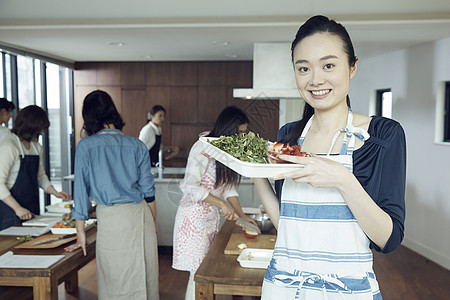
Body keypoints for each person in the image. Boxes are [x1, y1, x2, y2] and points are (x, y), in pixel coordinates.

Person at [253, 15, 406, 299]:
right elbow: (287, 228)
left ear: (352, 67)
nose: (315, 80)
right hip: (283, 288)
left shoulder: (382, 135)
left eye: (328, 65)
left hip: (347, 292)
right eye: (303, 68)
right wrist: (254, 170)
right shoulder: (288, 136)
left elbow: (388, 238)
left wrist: (342, 179)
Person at [64, 90, 159, 299]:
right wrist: (153, 222)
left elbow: (80, 191)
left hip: (112, 218)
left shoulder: (86, 146)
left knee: (116, 280)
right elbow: (148, 190)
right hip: (140, 215)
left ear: (88, 116)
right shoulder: (137, 145)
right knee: (144, 276)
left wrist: (80, 233)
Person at [172, 106, 258, 300]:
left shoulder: (226, 150)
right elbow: (190, 187)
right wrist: (221, 204)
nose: (242, 137)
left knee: (209, 272)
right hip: (192, 221)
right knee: (199, 275)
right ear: (228, 129)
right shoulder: (202, 147)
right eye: (240, 132)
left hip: (210, 218)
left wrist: (242, 215)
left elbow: (228, 188)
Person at [0, 105, 71, 230]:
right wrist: (17, 208)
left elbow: (40, 176)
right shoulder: (9, 146)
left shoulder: (36, 146)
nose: (42, 132)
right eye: (40, 129)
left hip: (31, 207)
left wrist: (55, 192)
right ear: (31, 126)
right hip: (10, 210)